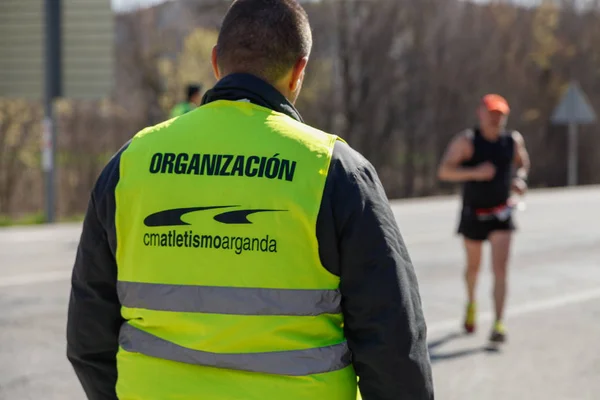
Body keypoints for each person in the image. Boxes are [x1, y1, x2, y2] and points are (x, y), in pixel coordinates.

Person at [66, 0, 433, 399]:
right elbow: (393, 343)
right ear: (299, 70)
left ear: (215, 63)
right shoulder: (333, 171)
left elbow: (89, 338)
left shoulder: (131, 163)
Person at [437, 94, 530, 344]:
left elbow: (523, 164)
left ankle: (499, 322)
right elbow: (444, 170)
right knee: (474, 268)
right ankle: (471, 304)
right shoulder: (468, 142)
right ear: (481, 113)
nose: (495, 119)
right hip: (474, 213)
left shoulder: (512, 141)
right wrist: (475, 172)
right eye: (491, 113)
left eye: (500, 114)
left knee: (500, 269)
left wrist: (520, 179)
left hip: (501, 213)